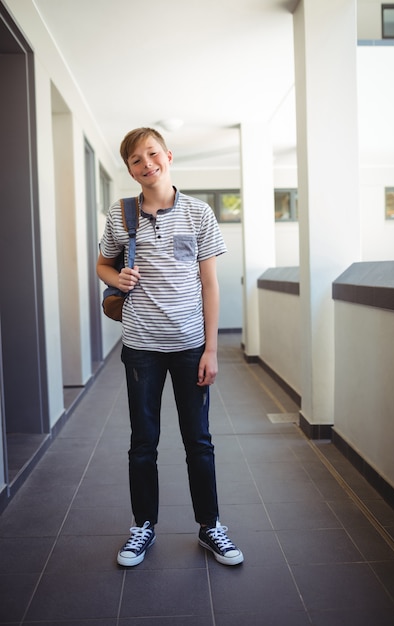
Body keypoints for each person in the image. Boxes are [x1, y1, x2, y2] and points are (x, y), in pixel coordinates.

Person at [97, 127, 243, 567]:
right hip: (141, 346)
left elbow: (210, 285)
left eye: (152, 154)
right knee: (144, 441)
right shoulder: (121, 216)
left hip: (189, 346)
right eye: (136, 160)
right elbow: (104, 264)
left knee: (198, 440)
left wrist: (211, 350)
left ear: (168, 156)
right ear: (129, 169)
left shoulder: (199, 214)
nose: (147, 164)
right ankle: (143, 527)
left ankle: (210, 526)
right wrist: (115, 278)